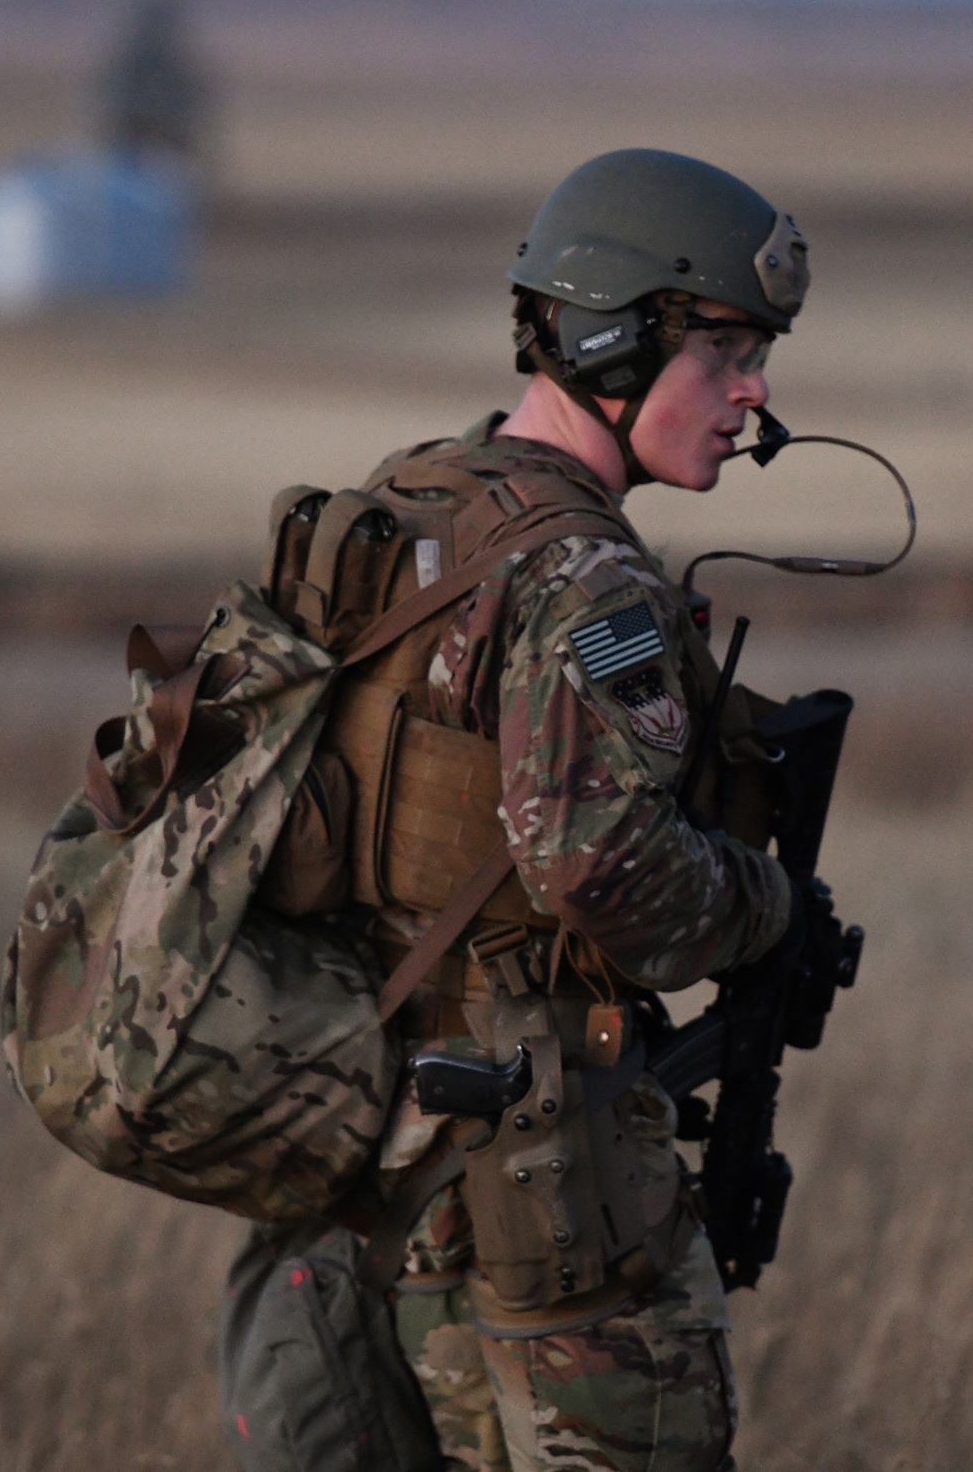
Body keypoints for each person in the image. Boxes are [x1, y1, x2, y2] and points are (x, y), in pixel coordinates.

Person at [241, 148, 810, 1472]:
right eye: (724, 346)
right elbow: (600, 872)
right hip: (535, 1191)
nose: (754, 388)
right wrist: (774, 907)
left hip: (348, 1158)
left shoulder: (408, 506)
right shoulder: (589, 581)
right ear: (616, 335)